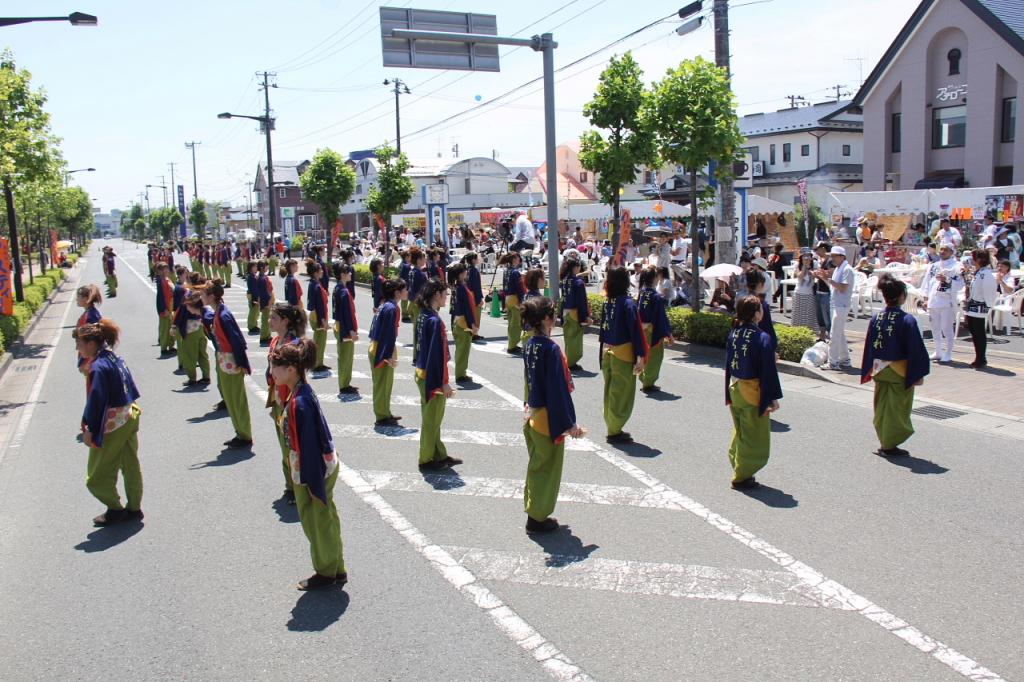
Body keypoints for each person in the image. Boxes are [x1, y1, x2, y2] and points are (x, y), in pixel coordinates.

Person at [269, 339, 347, 591]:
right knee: (325, 517)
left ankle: (326, 572)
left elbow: (310, 447)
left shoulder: (298, 402)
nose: (272, 373)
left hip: (312, 466)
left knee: (317, 518)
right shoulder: (300, 390)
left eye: (275, 367)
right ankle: (335, 566)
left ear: (291, 368)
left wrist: (312, 483)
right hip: (319, 461)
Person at [521, 296, 585, 534]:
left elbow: (530, 383)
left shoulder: (530, 344)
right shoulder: (550, 349)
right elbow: (558, 391)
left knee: (537, 465)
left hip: (533, 414)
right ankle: (537, 517)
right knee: (547, 469)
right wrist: (569, 424)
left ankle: (532, 510)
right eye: (554, 315)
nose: (556, 318)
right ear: (547, 319)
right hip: (547, 418)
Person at [75, 319, 144, 526]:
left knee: (97, 475)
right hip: (129, 415)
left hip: (113, 423)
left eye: (79, 344)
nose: (77, 349)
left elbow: (97, 401)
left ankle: (115, 509)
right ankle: (134, 507)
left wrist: (90, 428)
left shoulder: (98, 367)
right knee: (130, 464)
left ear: (91, 344)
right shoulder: (113, 357)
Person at [860, 274, 931, 457]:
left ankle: (884, 440)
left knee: (882, 407)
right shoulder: (907, 320)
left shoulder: (876, 317)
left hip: (879, 370)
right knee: (897, 408)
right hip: (899, 370)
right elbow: (915, 348)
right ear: (902, 296)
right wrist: (918, 373)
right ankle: (889, 444)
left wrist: (868, 367)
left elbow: (870, 344)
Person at [724, 296, 783, 489]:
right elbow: (767, 371)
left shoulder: (734, 333)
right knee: (755, 434)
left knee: (741, 429)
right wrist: (771, 398)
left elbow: (728, 363)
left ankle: (737, 461)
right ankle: (742, 474)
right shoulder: (762, 337)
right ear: (757, 314)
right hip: (753, 391)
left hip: (735, 387)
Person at [414, 278, 461, 470]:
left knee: (433, 418)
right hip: (431, 374)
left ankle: (438, 453)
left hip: (423, 370)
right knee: (431, 420)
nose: (446, 298)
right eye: (445, 294)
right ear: (436, 295)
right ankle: (426, 459)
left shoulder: (424, 315)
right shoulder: (434, 321)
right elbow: (437, 356)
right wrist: (443, 382)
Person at [200, 280, 253, 448]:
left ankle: (245, 434)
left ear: (212, 296)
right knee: (230, 398)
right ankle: (239, 432)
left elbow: (238, 341)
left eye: (204, 294)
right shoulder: (217, 313)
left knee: (237, 399)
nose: (202, 297)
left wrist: (244, 363)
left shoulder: (223, 315)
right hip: (224, 359)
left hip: (232, 360)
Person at [599, 266, 648, 444]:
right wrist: (641, 355)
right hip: (623, 353)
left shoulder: (608, 301)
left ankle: (612, 426)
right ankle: (614, 430)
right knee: (622, 393)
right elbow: (635, 331)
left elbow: (603, 330)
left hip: (608, 352)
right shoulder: (627, 303)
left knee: (610, 390)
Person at [266, 303, 307, 505]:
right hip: (278, 400)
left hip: (290, 401)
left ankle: (298, 486)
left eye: (274, 318)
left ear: (285, 321)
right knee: (284, 447)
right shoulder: (275, 341)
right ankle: (290, 485)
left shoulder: (294, 344)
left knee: (293, 446)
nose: (269, 321)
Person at [369, 278, 407, 427]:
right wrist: (387, 356)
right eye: (404, 289)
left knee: (385, 383)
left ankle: (385, 412)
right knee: (382, 384)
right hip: (382, 348)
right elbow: (388, 334)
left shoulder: (386, 305)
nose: (407, 292)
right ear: (397, 292)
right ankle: (381, 416)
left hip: (379, 346)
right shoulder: (392, 308)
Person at [920, 243, 964, 363]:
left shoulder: (957, 266)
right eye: (941, 249)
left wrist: (947, 280)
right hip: (933, 301)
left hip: (947, 301)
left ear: (951, 252)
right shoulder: (934, 265)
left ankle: (948, 353)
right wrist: (925, 299)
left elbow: (960, 284)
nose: (942, 251)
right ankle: (938, 351)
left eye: (946, 250)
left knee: (946, 328)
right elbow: (926, 283)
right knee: (935, 328)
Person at [816, 246, 853, 369]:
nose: (832, 258)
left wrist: (828, 279)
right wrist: (824, 278)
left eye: (835, 256)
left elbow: (843, 287)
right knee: (839, 334)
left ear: (842, 256)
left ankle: (833, 362)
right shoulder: (839, 268)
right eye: (832, 256)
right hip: (836, 304)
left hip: (841, 305)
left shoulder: (847, 269)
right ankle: (845, 359)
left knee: (834, 334)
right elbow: (834, 287)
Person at [637, 267, 673, 394]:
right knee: (655, 357)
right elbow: (660, 317)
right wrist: (668, 333)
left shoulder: (642, 293)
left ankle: (644, 377)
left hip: (642, 330)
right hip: (653, 331)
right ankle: (648, 382)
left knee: (644, 355)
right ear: (654, 278)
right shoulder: (655, 297)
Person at [964, 249, 998, 369]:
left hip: (979, 306)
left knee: (979, 333)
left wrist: (987, 306)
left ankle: (981, 358)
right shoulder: (978, 273)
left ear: (979, 259)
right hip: (972, 306)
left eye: (973, 257)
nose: (972, 260)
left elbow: (989, 291)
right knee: (974, 332)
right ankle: (978, 357)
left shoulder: (986, 274)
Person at [171, 290, 211, 387]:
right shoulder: (201, 298)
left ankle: (192, 379)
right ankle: (206, 377)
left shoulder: (188, 299)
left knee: (189, 356)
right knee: (202, 354)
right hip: (200, 327)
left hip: (190, 329)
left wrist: (174, 327)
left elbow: (179, 313)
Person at [448, 262, 479, 384]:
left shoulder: (455, 287)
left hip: (456, 320)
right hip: (463, 322)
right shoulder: (461, 288)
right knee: (463, 350)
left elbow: (452, 308)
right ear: (461, 274)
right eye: (465, 271)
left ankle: (461, 372)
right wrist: (472, 324)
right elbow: (467, 308)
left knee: (460, 349)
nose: (467, 273)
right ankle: (460, 374)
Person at [559, 257, 591, 371]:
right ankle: (571, 363)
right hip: (574, 314)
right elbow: (582, 302)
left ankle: (568, 360)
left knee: (569, 338)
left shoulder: (565, 280)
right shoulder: (578, 282)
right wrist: (585, 317)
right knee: (575, 340)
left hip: (565, 313)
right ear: (576, 268)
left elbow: (562, 299)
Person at [332, 262, 359, 394]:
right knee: (346, 357)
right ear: (342, 274)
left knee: (343, 356)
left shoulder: (337, 288)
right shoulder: (343, 291)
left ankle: (345, 383)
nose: (350, 274)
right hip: (345, 328)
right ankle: (344, 385)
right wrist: (351, 331)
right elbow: (347, 313)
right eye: (348, 272)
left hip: (338, 326)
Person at [305, 259, 331, 373]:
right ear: (315, 273)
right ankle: (316, 364)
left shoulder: (313, 283)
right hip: (318, 316)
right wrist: (323, 321)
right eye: (320, 270)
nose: (322, 272)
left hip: (315, 315)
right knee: (319, 342)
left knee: (319, 341)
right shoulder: (316, 286)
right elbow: (320, 305)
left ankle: (318, 362)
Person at [790, 248, 821, 338]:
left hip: (810, 293)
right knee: (798, 315)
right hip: (799, 292)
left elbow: (816, 276)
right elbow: (799, 277)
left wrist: (811, 270)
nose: (807, 258)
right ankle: (797, 334)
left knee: (809, 315)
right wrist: (804, 266)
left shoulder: (815, 264)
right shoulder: (797, 264)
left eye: (808, 256)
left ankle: (809, 335)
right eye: (804, 256)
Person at [746, 269, 778, 351]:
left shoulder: (742, 300)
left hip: (745, 340)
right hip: (760, 342)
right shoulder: (762, 304)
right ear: (760, 284)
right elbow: (768, 327)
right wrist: (773, 345)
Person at [75, 284, 103, 378]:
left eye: (78, 297)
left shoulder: (91, 316)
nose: (76, 299)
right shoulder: (90, 313)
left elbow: (93, 340)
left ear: (86, 298)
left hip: (91, 357)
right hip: (88, 354)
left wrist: (87, 361)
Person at [501, 252, 526, 354]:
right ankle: (512, 346)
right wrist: (522, 300)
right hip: (515, 299)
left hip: (508, 298)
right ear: (514, 259)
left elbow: (504, 287)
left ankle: (511, 344)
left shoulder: (506, 271)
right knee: (516, 324)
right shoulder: (515, 272)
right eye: (518, 257)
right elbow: (519, 288)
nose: (519, 259)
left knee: (511, 323)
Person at [408, 247, 428, 356]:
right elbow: (420, 291)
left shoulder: (412, 271)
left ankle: (416, 354)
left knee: (416, 328)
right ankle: (417, 354)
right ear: (419, 259)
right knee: (419, 329)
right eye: (423, 257)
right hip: (418, 304)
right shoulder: (419, 273)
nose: (425, 260)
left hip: (412, 303)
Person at [812, 242, 834, 340]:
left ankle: (831, 337)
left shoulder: (830, 261)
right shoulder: (822, 260)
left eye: (818, 249)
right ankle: (822, 336)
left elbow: (832, 274)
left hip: (826, 292)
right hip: (819, 290)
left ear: (823, 249)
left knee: (827, 317)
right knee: (820, 316)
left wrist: (821, 273)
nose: (816, 252)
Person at [154, 262, 176, 356]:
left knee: (171, 328)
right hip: (165, 308)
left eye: (167, 268)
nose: (166, 270)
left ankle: (171, 346)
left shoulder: (167, 279)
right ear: (159, 271)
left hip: (171, 306)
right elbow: (160, 297)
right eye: (163, 269)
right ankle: (163, 348)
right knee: (164, 329)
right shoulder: (160, 281)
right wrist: (163, 309)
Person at [463, 252, 485, 340]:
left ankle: (472, 332)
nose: (478, 260)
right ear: (473, 260)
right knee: (476, 315)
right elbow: (476, 286)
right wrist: (479, 299)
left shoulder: (466, 270)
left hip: (468, 294)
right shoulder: (474, 270)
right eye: (476, 258)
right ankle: (474, 333)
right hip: (474, 295)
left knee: (470, 315)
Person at [256, 260, 275, 345]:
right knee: (265, 320)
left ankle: (267, 335)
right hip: (266, 302)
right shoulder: (262, 278)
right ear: (262, 268)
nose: (267, 267)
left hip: (265, 301)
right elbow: (264, 293)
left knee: (267, 319)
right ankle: (264, 337)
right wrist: (268, 302)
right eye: (266, 266)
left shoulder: (262, 277)